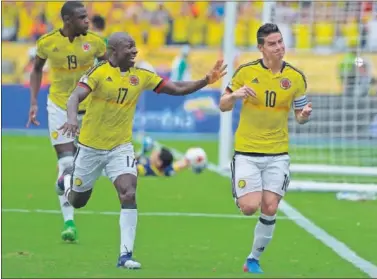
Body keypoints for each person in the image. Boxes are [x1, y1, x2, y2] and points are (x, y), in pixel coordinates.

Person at [57, 32, 226, 269]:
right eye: (129, 47)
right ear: (113, 52)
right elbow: (75, 97)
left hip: (120, 147)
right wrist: (73, 120)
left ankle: (125, 256)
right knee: (77, 201)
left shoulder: (142, 76)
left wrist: (206, 80)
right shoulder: (98, 73)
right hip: (90, 148)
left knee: (128, 193)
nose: (135, 51)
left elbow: (176, 87)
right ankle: (66, 182)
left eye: (135, 47)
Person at [219, 23, 312, 274]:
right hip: (247, 152)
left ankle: (253, 259)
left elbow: (300, 117)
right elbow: (223, 105)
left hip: (278, 153)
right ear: (261, 48)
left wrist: (303, 115)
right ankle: (241, 191)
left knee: (270, 206)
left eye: (281, 41)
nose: (279, 47)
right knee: (250, 207)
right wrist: (235, 95)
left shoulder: (296, 77)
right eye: (272, 43)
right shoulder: (246, 72)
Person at [26, 1, 107, 243]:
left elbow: (108, 71)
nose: (87, 21)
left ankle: (67, 180)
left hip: (88, 109)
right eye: (82, 17)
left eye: (87, 16)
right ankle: (69, 222)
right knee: (66, 163)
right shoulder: (47, 42)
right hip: (60, 107)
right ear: (68, 20)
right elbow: (36, 70)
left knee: (83, 168)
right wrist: (33, 102)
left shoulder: (95, 42)